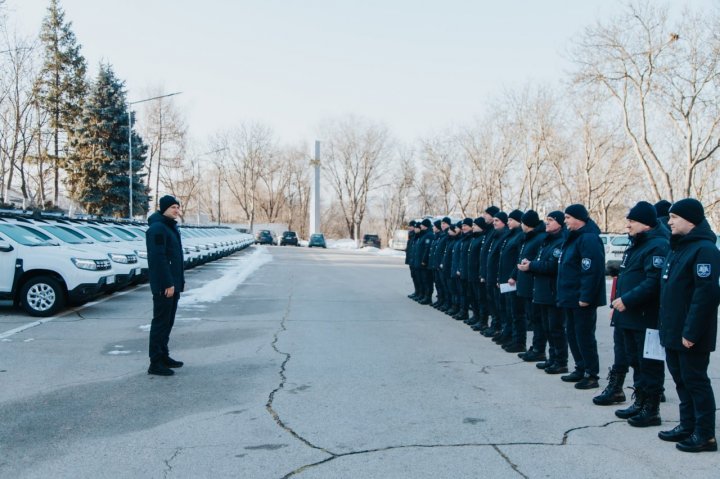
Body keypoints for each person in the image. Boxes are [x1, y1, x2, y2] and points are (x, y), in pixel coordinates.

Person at [657, 198, 719, 453]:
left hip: (690, 333)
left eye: (674, 217)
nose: (668, 221)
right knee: (681, 381)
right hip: (673, 329)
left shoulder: (705, 250)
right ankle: (687, 425)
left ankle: (705, 435)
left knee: (695, 381)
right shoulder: (679, 247)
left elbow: (705, 296)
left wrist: (691, 333)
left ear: (690, 220)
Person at [608, 202, 669, 427]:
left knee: (649, 365)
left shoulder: (658, 245)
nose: (628, 225)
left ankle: (651, 410)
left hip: (646, 317)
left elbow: (653, 282)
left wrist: (628, 299)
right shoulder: (637, 244)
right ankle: (639, 402)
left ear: (644, 223)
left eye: (632, 221)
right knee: (635, 361)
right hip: (629, 316)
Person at [557, 204, 606, 389]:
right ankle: (580, 367)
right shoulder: (573, 238)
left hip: (581, 298)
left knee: (584, 336)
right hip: (570, 295)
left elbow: (591, 270)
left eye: (568, 217)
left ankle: (591, 374)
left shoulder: (588, 239)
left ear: (579, 219)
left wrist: (586, 296)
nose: (565, 221)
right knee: (572, 333)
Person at [519, 211, 568, 374]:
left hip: (552, 291)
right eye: (546, 220)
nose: (547, 223)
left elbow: (553, 266)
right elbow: (542, 262)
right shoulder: (547, 241)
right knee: (547, 327)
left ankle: (560, 361)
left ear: (560, 224)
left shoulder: (560, 242)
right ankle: (552, 358)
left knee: (556, 328)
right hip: (542, 291)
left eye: (551, 220)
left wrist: (532, 266)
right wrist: (531, 264)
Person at [146, 195, 186, 376]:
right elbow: (158, 259)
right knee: (160, 323)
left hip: (173, 284)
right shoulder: (157, 229)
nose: (176, 211)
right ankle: (155, 363)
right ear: (163, 209)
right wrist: (168, 283)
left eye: (177, 207)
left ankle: (164, 355)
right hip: (165, 285)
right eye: (173, 208)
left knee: (168, 322)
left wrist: (178, 283)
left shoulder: (170, 227)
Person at [515, 210, 547, 361]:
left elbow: (537, 260)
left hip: (534, 285)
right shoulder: (528, 238)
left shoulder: (539, 238)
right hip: (526, 283)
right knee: (533, 319)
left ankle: (539, 349)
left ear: (526, 224)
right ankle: (535, 348)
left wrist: (529, 266)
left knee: (537, 320)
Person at [498, 209, 525, 352]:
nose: (508, 222)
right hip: (506, 279)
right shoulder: (510, 236)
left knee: (516, 312)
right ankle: (508, 335)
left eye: (511, 220)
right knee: (508, 309)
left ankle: (518, 341)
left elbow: (519, 259)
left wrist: (514, 276)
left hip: (514, 280)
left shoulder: (520, 236)